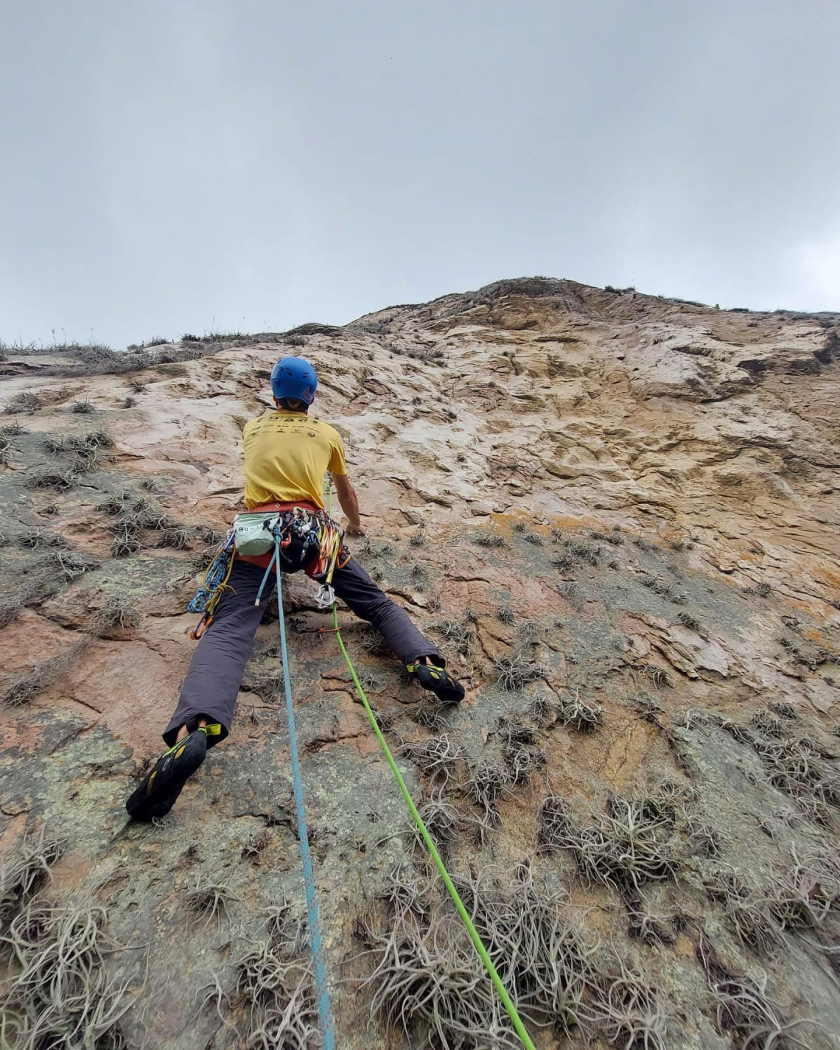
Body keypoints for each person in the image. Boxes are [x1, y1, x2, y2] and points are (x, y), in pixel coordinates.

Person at [126, 356, 465, 821]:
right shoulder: (327, 435)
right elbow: (344, 491)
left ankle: (196, 730)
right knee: (375, 603)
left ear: (273, 392)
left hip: (258, 535)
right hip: (313, 535)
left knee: (229, 627)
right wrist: (354, 524)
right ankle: (423, 661)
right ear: (312, 395)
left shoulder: (253, 428)